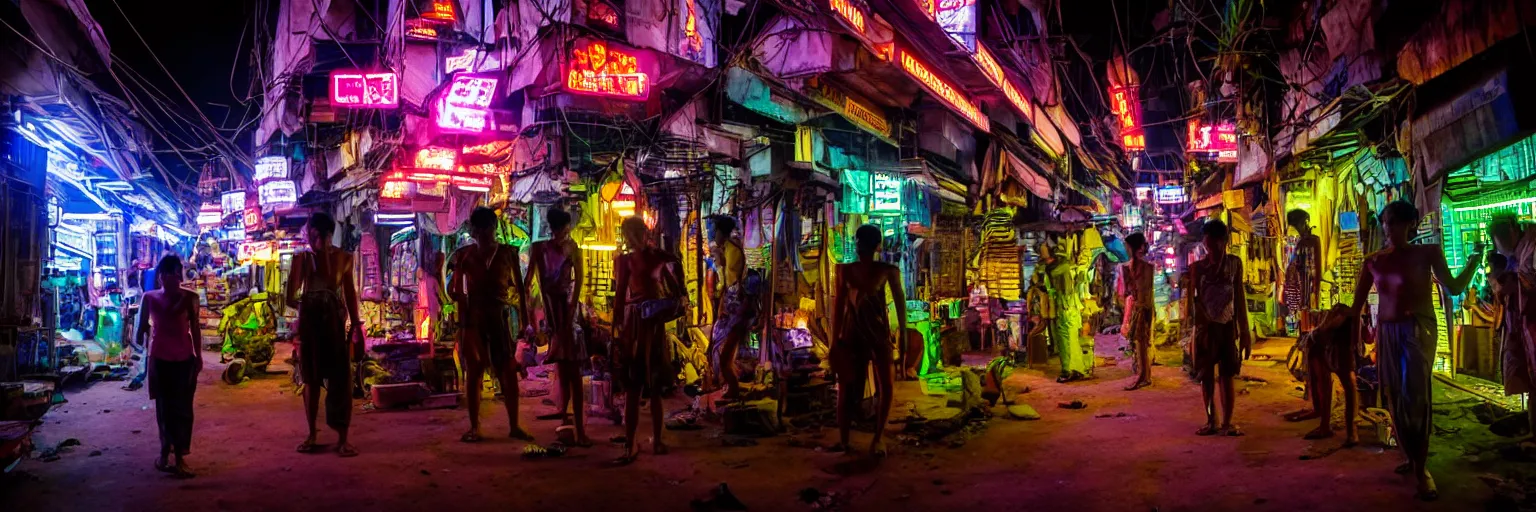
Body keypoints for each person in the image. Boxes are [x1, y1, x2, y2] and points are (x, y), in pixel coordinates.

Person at [1336, 200, 1481, 501]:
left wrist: (1473, 263)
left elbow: (1453, 287)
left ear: (1410, 225)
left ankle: (1421, 468)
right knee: (1394, 396)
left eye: (1398, 222)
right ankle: (1409, 454)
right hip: (1387, 333)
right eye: (1388, 222)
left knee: (1416, 397)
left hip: (1418, 329)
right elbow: (1357, 305)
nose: (1391, 228)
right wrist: (1355, 340)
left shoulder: (1427, 253)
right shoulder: (1373, 261)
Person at [448, 207, 534, 443]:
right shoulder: (464, 256)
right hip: (474, 318)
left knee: (507, 370)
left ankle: (514, 425)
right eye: (478, 229)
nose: (483, 234)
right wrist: (461, 306)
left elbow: (521, 290)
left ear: (492, 229)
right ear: (474, 231)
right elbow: (454, 290)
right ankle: (475, 427)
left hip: (500, 315)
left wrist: (526, 323)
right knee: (474, 369)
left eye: (486, 229)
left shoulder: (508, 253)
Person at [287, 212, 364, 457]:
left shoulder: (340, 258)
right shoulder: (308, 259)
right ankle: (321, 435)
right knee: (313, 380)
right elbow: (291, 297)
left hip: (329, 326)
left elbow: (349, 294)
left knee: (335, 380)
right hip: (315, 326)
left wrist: (355, 326)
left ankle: (335, 437)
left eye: (311, 233)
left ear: (316, 234)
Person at [611, 217, 685, 465]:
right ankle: (630, 442)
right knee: (634, 386)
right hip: (635, 324)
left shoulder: (658, 258)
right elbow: (620, 296)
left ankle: (657, 439)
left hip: (653, 324)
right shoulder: (624, 261)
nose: (632, 239)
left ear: (644, 233)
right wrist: (616, 330)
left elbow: (676, 287)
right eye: (628, 235)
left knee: (654, 386)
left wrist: (672, 304)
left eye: (636, 234)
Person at [830, 225, 906, 456]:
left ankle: (876, 438)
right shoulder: (846, 270)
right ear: (878, 246)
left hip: (875, 334)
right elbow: (839, 306)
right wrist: (835, 343)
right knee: (849, 388)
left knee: (885, 385)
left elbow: (900, 305)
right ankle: (854, 440)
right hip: (855, 335)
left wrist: (902, 339)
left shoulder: (887, 271)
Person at [527, 207, 591, 446]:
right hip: (558, 315)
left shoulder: (550, 248)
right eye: (563, 228)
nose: (564, 232)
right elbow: (578, 282)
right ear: (558, 228)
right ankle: (571, 425)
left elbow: (578, 281)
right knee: (567, 373)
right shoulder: (557, 248)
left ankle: (575, 426)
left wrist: (569, 312)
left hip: (562, 315)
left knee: (569, 373)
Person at [138, 255, 203, 478]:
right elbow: (140, 332)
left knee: (183, 409)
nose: (174, 278)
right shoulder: (149, 298)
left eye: (177, 274)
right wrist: (146, 350)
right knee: (165, 410)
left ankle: (180, 457)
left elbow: (195, 329)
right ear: (161, 277)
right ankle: (165, 453)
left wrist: (199, 356)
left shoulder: (191, 298)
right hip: (160, 360)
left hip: (184, 359)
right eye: (169, 274)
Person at [1188, 220, 1251, 437]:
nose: (1211, 251)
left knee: (1227, 375)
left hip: (1227, 327)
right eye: (1207, 247)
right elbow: (1192, 301)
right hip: (1206, 329)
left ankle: (1227, 422)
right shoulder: (1197, 268)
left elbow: (1240, 298)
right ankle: (1211, 420)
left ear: (1224, 242)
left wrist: (1245, 332)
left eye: (1214, 246)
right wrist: (1196, 329)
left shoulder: (1234, 264)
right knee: (1206, 376)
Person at [1490, 215, 1536, 449]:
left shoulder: (1532, 245)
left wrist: (1517, 281)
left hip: (1533, 321)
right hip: (1522, 325)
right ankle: (1533, 432)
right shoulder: (1515, 254)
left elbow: (1528, 281)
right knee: (1531, 382)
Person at [1282, 209, 1327, 423]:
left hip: (1310, 301)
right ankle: (1311, 393)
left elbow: (1315, 271)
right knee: (1306, 346)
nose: (1298, 228)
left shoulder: (1312, 241)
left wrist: (1314, 298)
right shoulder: (1300, 243)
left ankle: (1316, 397)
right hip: (1302, 301)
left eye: (1299, 223)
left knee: (1311, 346)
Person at [708, 215, 754, 400]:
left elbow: (731, 283)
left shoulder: (731, 250)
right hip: (732, 308)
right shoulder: (727, 249)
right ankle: (732, 389)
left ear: (721, 232)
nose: (713, 234)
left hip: (736, 310)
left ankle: (734, 392)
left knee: (725, 355)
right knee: (722, 352)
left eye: (715, 231)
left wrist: (718, 265)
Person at [1044, 241, 1087, 382]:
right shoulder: (1066, 268)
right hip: (1071, 308)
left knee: (1065, 341)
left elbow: (1059, 291)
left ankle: (1068, 370)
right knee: (1072, 340)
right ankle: (1077, 369)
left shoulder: (1057, 270)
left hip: (1065, 308)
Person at [1122, 233, 1155, 391]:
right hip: (1137, 307)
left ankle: (1143, 376)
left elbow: (1147, 293)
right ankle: (1145, 375)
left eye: (1127, 246)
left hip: (1144, 308)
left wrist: (1146, 313)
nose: (1126, 249)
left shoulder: (1147, 268)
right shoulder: (1127, 268)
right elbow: (1129, 292)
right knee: (1139, 344)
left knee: (1142, 343)